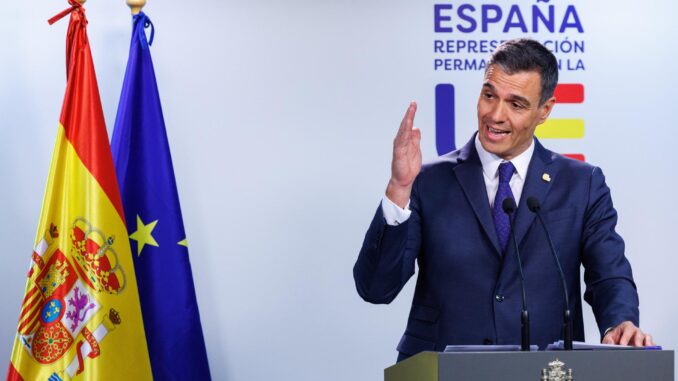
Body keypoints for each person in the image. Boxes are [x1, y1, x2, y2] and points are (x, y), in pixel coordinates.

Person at [353, 38, 653, 362]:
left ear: (544, 110)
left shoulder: (581, 184)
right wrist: (399, 188)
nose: (496, 115)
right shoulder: (426, 181)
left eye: (516, 104)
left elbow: (608, 273)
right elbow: (376, 288)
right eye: (489, 95)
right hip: (441, 368)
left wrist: (620, 322)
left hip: (545, 368)